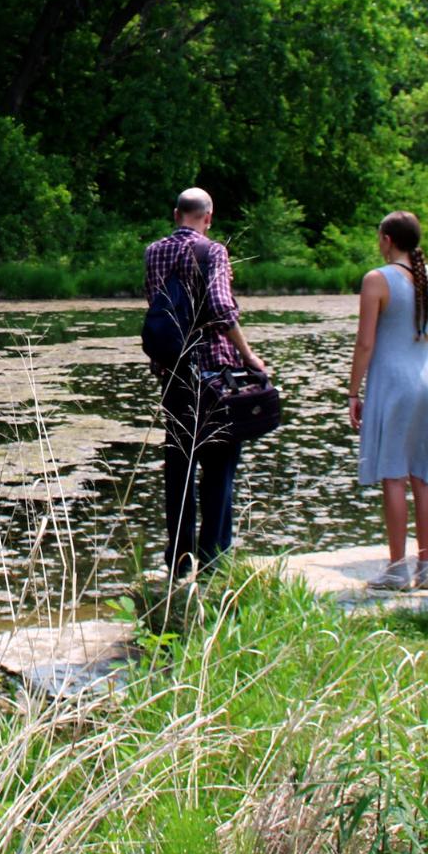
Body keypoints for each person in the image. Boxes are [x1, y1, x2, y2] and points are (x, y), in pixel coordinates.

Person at [144, 187, 268, 581]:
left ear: (175, 213)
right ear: (208, 217)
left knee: (179, 467)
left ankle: (178, 562)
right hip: (214, 372)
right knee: (219, 467)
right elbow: (219, 305)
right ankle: (215, 561)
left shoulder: (153, 252)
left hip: (173, 372)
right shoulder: (213, 250)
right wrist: (249, 357)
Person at [348, 211, 428, 591]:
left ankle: (396, 568)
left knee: (394, 475)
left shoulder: (378, 280)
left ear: (387, 240)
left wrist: (353, 391)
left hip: (393, 382)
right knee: (425, 475)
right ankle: (426, 568)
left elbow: (366, 343)